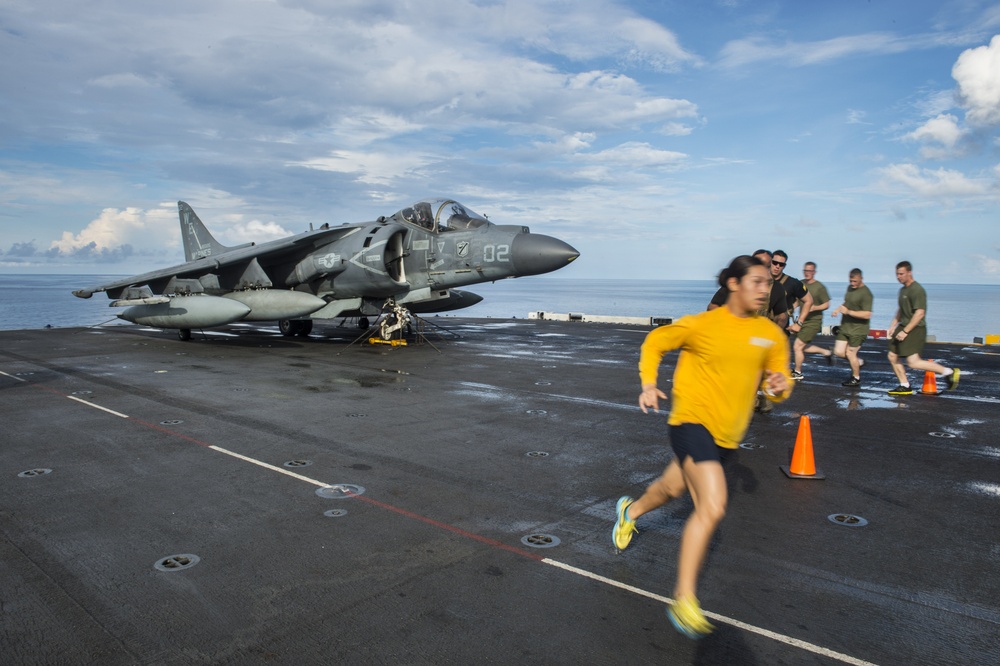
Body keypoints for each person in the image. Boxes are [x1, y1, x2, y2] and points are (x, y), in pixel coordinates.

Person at [613, 255, 792, 639]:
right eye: (757, 282)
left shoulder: (771, 335)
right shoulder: (701, 325)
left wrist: (777, 389)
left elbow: (780, 381)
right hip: (690, 423)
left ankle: (629, 512)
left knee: (669, 488)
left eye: (768, 283)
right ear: (733, 284)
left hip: (728, 437)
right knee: (711, 505)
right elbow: (655, 342)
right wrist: (648, 383)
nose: (765, 289)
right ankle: (684, 599)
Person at [886, 261, 960, 395]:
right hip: (903, 326)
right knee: (892, 355)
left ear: (909, 273)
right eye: (897, 274)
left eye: (901, 274)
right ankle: (904, 385)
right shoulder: (903, 290)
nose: (899, 277)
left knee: (913, 362)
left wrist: (905, 331)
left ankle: (948, 372)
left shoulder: (917, 290)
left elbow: (920, 313)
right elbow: (901, 309)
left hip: (915, 329)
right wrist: (893, 325)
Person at [707, 249, 787, 327]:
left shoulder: (777, 288)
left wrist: (774, 331)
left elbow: (781, 315)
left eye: (767, 266)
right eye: (758, 263)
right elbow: (713, 306)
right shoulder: (737, 283)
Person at [830, 268, 873, 387]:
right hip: (846, 326)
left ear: (861, 279)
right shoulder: (849, 288)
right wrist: (838, 309)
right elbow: (847, 302)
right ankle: (858, 362)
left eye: (855, 281)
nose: (852, 284)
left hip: (859, 329)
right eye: (851, 281)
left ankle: (856, 378)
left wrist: (848, 312)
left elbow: (867, 314)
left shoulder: (866, 294)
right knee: (838, 352)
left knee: (850, 353)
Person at [791, 261, 833, 379]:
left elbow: (827, 304)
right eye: (805, 270)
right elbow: (797, 301)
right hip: (801, 321)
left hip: (814, 321)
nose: (807, 273)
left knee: (797, 346)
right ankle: (826, 352)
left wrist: (814, 308)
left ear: (814, 272)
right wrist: (791, 309)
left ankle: (798, 372)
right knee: (802, 347)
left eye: (809, 271)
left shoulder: (820, 287)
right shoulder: (800, 284)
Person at [770, 250, 814, 337]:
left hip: (780, 331)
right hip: (760, 327)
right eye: (775, 262)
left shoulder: (793, 283)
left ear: (784, 266)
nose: (777, 266)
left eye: (781, 264)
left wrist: (799, 323)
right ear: (770, 262)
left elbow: (809, 301)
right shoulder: (760, 280)